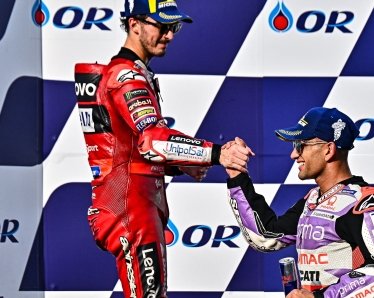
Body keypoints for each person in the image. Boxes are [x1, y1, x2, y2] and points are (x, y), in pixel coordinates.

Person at [74, 1, 253, 297]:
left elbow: (131, 149)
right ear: (134, 24)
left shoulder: (131, 73)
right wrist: (219, 153)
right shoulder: (126, 76)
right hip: (131, 206)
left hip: (134, 201)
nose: (170, 35)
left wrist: (180, 163)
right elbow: (153, 140)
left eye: (174, 27)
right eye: (162, 26)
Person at [224, 107, 374, 298]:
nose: (294, 154)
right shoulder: (312, 200)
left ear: (328, 150)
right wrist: (237, 175)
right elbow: (265, 237)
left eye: (300, 145)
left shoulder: (362, 202)